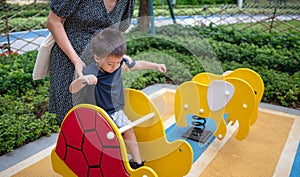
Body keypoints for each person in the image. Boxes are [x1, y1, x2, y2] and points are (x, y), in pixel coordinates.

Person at [69, 28, 166, 169]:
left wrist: (155, 65)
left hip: (115, 111)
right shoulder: (91, 71)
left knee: (129, 130)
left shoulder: (120, 62)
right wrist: (82, 79)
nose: (115, 67)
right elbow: (72, 89)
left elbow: (138, 65)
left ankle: (137, 163)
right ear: (97, 58)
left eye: (118, 62)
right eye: (110, 64)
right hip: (98, 114)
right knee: (105, 140)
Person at [46, 0, 135, 123]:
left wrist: (116, 56)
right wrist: (76, 60)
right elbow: (53, 22)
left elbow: (119, 29)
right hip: (70, 62)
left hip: (104, 69)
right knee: (74, 124)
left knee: (105, 124)